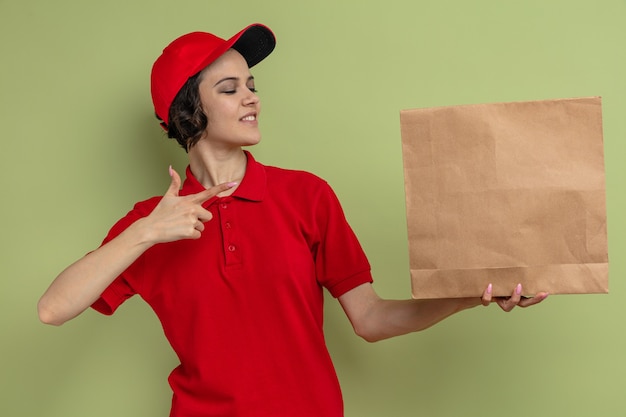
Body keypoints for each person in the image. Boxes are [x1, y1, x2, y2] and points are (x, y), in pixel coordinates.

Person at [38, 23, 548, 417]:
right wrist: (148, 231)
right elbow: (53, 309)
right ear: (188, 107)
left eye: (252, 85)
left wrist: (469, 292)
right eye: (231, 88)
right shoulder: (150, 225)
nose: (253, 98)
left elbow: (369, 320)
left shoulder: (305, 196)